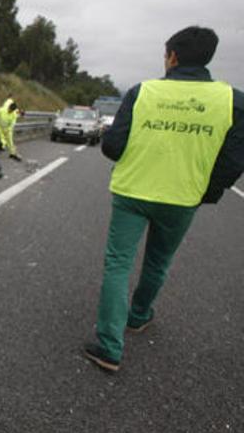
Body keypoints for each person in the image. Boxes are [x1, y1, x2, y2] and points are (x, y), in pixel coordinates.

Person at [84, 26, 244, 372]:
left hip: (132, 191)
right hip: (182, 197)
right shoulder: (233, 100)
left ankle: (109, 346)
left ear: (172, 56)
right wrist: (207, 190)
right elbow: (234, 160)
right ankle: (139, 316)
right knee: (158, 262)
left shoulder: (142, 92)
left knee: (118, 263)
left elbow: (112, 145)